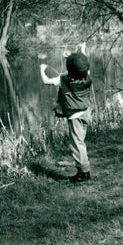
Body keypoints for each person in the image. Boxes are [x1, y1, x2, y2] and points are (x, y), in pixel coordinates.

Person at [40, 43, 93, 183]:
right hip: (85, 113)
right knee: (80, 142)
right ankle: (83, 170)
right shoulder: (87, 78)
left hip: (75, 116)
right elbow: (82, 66)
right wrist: (80, 51)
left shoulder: (63, 80)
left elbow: (45, 81)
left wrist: (42, 70)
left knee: (77, 144)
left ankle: (84, 173)